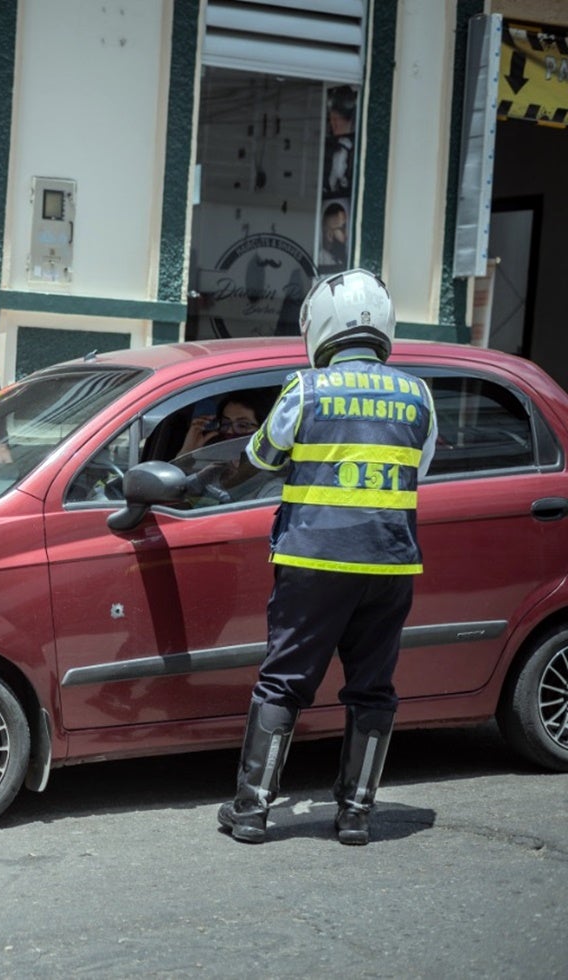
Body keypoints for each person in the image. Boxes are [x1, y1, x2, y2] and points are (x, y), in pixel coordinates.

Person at [217, 269, 436, 846]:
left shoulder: (306, 388)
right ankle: (357, 816)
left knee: (284, 683)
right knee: (372, 688)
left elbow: (263, 456)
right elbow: (421, 467)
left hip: (313, 560)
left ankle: (251, 811)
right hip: (389, 564)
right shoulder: (419, 395)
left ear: (320, 325)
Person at [319, 203, 348, 271]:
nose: (346, 236)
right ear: (330, 235)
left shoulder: (341, 260)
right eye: (342, 229)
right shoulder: (320, 261)